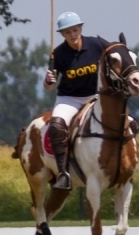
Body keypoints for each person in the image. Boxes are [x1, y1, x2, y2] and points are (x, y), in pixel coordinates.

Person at [43, 11, 105, 190]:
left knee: (126, 120)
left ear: (81, 29)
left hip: (96, 96)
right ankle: (63, 174)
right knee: (56, 126)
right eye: (67, 32)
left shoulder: (96, 45)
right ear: (62, 34)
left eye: (75, 30)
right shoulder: (58, 54)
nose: (72, 35)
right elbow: (49, 87)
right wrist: (48, 81)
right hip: (70, 99)